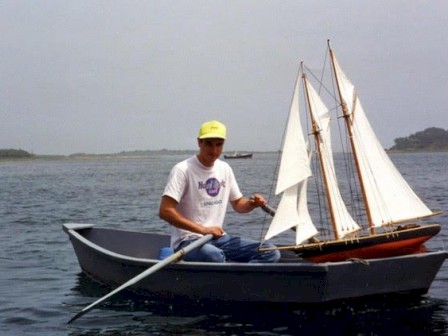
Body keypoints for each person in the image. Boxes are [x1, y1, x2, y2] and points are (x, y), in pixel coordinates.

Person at [159, 120, 280, 263]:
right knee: (214, 255)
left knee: (270, 252)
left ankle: (239, 280)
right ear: (199, 142)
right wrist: (203, 230)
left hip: (218, 238)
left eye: (219, 144)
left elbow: (238, 204)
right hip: (188, 241)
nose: (214, 150)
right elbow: (165, 211)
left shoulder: (225, 169)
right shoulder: (182, 170)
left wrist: (252, 203)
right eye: (209, 144)